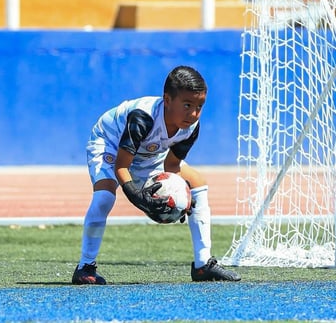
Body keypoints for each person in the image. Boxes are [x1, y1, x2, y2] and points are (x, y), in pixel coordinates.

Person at [72, 65, 241, 284]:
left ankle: (203, 265)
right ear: (167, 100)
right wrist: (137, 197)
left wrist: (181, 195)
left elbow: (172, 165)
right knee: (105, 196)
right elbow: (122, 167)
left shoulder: (191, 126)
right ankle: (85, 267)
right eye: (187, 105)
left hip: (148, 153)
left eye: (200, 106)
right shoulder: (142, 118)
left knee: (197, 184)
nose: (194, 113)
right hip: (110, 144)